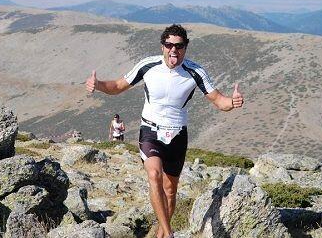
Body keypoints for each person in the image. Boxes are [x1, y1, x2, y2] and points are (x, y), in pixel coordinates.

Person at [86, 24, 244, 238]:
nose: (173, 50)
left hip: (178, 135)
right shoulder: (148, 65)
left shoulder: (195, 71)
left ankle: (161, 234)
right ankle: (169, 234)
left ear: (185, 48)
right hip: (150, 131)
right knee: (154, 174)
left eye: (178, 46)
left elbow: (218, 100)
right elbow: (117, 86)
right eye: (169, 45)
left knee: (170, 191)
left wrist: (233, 102)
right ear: (162, 46)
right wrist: (98, 84)